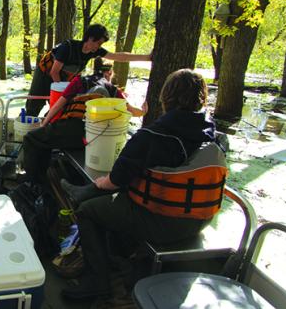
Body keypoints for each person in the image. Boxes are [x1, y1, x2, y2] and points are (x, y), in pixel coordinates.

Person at [58, 69, 226, 300]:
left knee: (88, 210)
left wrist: (100, 182)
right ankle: (118, 256)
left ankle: (97, 281)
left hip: (161, 222)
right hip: (200, 220)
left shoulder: (152, 136)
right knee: (114, 199)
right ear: (202, 99)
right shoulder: (213, 134)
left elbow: (116, 180)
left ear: (166, 98)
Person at [22, 58, 146, 185]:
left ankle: (33, 183)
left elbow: (58, 105)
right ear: (109, 73)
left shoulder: (80, 80)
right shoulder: (113, 90)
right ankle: (43, 179)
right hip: (96, 139)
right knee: (45, 142)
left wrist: (44, 123)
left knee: (32, 138)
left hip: (72, 130)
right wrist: (143, 111)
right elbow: (131, 111)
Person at [26, 24, 151, 117]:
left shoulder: (94, 51)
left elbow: (118, 56)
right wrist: (62, 91)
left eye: (100, 44)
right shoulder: (67, 47)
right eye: (97, 42)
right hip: (45, 76)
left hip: (62, 80)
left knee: (60, 109)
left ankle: (47, 126)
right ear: (90, 38)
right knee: (34, 106)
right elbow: (54, 72)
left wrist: (147, 58)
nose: (98, 47)